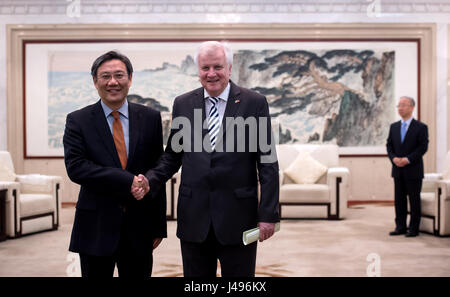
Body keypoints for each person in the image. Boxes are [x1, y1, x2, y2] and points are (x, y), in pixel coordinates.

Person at [144, 41, 280, 277]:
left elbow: (267, 161)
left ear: (229, 67)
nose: (211, 74)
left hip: (239, 216)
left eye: (217, 67)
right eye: (205, 68)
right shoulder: (183, 103)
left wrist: (268, 214)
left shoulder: (254, 102)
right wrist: (149, 180)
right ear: (198, 70)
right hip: (193, 217)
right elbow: (173, 156)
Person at [63, 51, 166, 278]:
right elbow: (76, 167)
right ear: (95, 81)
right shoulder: (78, 120)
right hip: (95, 227)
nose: (113, 82)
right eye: (105, 76)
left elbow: (157, 168)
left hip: (139, 226)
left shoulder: (150, 118)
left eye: (119, 75)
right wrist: (127, 180)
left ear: (130, 78)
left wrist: (159, 225)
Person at [386, 96, 428, 237]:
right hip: (397, 169)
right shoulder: (394, 127)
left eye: (403, 105)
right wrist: (394, 159)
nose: (400, 108)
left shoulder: (421, 127)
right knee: (399, 200)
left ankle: (414, 228)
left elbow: (423, 147)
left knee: (414, 200)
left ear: (411, 107)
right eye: (399, 105)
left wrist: (408, 159)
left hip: (413, 170)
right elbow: (389, 146)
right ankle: (400, 227)